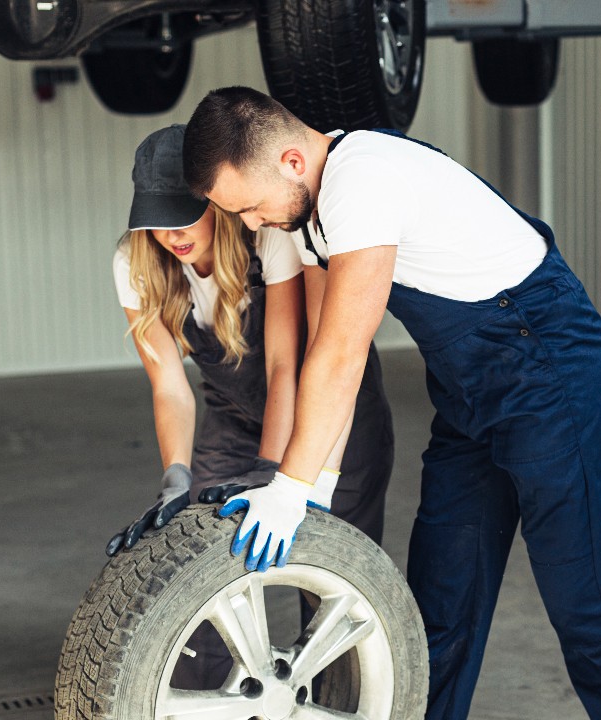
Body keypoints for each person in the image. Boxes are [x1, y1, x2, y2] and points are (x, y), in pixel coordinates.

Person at [182, 87, 601, 719]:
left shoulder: (364, 179)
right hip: (469, 392)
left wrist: (289, 486)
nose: (250, 224)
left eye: (250, 206)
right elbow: (326, 357)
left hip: (545, 365)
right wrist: (311, 485)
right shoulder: (308, 215)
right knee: (441, 591)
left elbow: (344, 353)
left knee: (582, 585)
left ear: (291, 161)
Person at [107, 124, 395, 683]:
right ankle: (206, 704)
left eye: (184, 215)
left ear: (214, 201)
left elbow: (287, 364)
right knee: (202, 560)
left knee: (328, 577)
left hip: (329, 418)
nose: (171, 235)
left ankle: (335, 706)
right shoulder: (134, 263)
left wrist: (274, 475)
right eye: (156, 220)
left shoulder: (267, 240)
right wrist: (176, 475)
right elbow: (169, 384)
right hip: (232, 421)